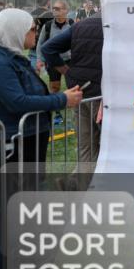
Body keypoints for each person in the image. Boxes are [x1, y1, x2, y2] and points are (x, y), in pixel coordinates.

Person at [0, 9, 82, 269]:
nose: (35, 33)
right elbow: (17, 101)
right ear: (16, 31)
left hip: (23, 146)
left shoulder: (9, 59)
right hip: (7, 149)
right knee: (6, 218)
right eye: (32, 29)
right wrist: (63, 100)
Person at [40, 13, 104, 170]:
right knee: (108, 148)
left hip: (80, 91)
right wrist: (67, 72)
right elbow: (47, 48)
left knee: (85, 148)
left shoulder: (80, 25)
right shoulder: (117, 26)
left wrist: (68, 73)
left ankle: (81, 189)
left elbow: (47, 48)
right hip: (102, 96)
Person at [37, 0, 73, 93]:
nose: (54, 10)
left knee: (72, 85)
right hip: (53, 61)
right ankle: (55, 105)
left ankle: (73, 104)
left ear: (66, 10)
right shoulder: (48, 25)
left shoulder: (72, 24)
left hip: (69, 60)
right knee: (54, 87)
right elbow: (40, 43)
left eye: (57, 9)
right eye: (53, 8)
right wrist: (40, 60)